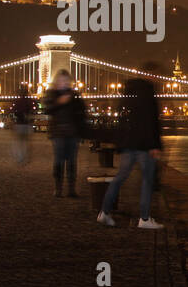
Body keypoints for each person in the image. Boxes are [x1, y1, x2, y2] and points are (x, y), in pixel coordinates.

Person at [98, 61, 164, 229]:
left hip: (128, 143)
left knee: (120, 177)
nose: (157, 77)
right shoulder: (148, 92)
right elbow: (150, 122)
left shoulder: (128, 92)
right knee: (147, 181)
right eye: (155, 74)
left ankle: (104, 213)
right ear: (149, 74)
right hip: (144, 145)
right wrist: (155, 145)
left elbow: (121, 117)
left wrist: (121, 141)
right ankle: (144, 219)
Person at [42, 70, 84, 197]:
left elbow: (82, 112)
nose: (64, 83)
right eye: (61, 81)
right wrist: (59, 102)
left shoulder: (75, 95)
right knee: (59, 161)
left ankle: (71, 189)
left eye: (66, 81)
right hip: (58, 133)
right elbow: (47, 110)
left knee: (72, 161)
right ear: (56, 81)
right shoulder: (51, 94)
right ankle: (58, 188)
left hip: (73, 133)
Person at [8, 86, 36, 166]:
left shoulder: (17, 101)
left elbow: (12, 111)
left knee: (19, 142)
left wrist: (13, 121)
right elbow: (33, 110)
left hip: (19, 124)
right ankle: (24, 157)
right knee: (25, 142)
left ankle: (20, 158)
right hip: (27, 125)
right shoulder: (30, 101)